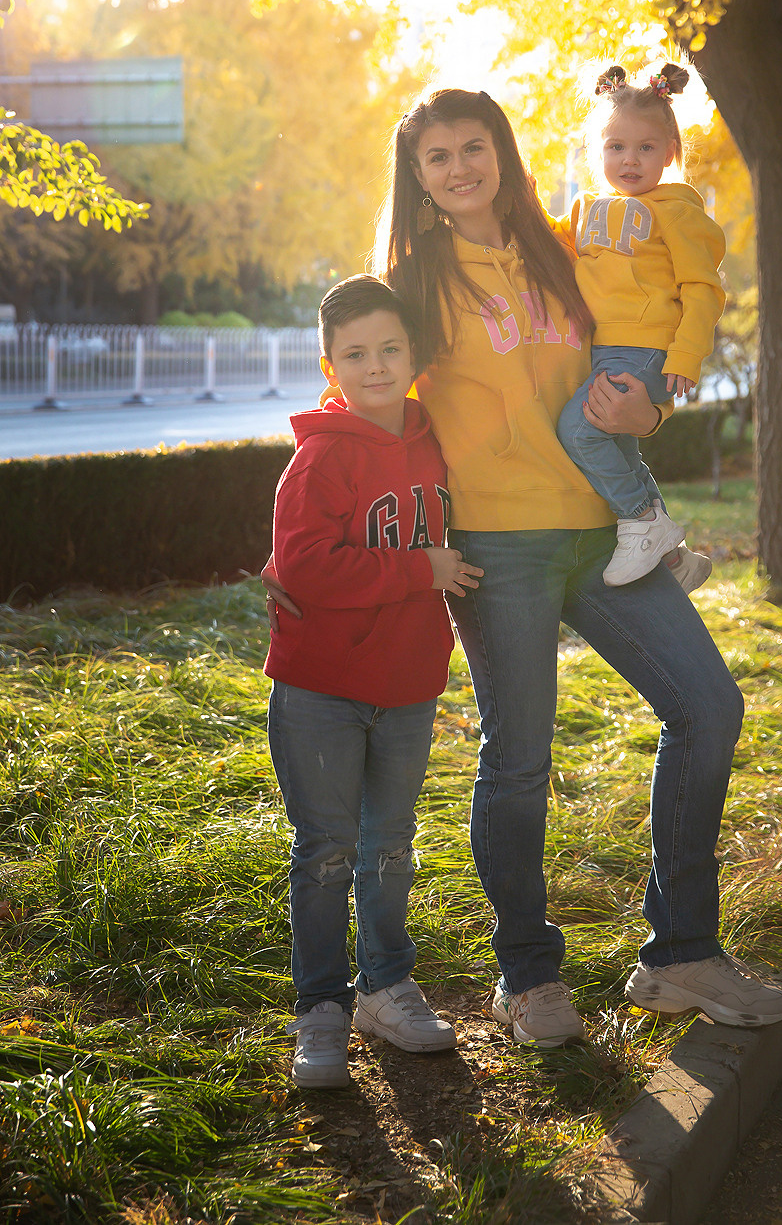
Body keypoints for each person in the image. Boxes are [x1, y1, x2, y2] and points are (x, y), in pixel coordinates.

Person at [268, 89, 782, 1045]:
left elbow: (644, 332)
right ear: (418, 178)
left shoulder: (566, 243)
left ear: (502, 153)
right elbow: (368, 384)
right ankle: (527, 973)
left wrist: (651, 411)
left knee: (709, 707)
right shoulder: (413, 278)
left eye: (474, 147)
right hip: (497, 547)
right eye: (437, 157)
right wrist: (327, 507)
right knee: (519, 761)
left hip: (603, 534)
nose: (460, 167)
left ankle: (681, 952)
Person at [264, 274, 483, 1087]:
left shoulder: (438, 442)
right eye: (355, 354)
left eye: (390, 348)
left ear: (416, 355)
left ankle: (386, 988)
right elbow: (305, 567)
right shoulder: (320, 456)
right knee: (325, 851)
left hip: (409, 684)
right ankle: (320, 1008)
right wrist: (420, 568)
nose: (377, 365)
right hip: (320, 689)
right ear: (330, 367)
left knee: (389, 845)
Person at [556, 61, 725, 591]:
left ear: (669, 153)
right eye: (616, 147)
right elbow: (555, 244)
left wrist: (687, 355)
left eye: (645, 148)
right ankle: (674, 557)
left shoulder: (675, 210)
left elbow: (703, 288)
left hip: (647, 349)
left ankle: (640, 521)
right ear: (597, 151)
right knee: (620, 447)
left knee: (578, 429)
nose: (630, 159)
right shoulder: (587, 208)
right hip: (603, 349)